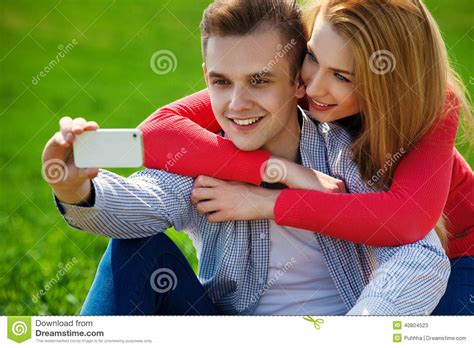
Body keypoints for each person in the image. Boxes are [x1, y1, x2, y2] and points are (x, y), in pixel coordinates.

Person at [42, 0, 449, 315]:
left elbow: (418, 256)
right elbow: (142, 202)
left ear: (297, 83)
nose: (237, 104)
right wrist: (76, 187)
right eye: (222, 82)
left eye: (259, 80)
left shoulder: (344, 154)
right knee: (132, 250)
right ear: (206, 77)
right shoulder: (203, 154)